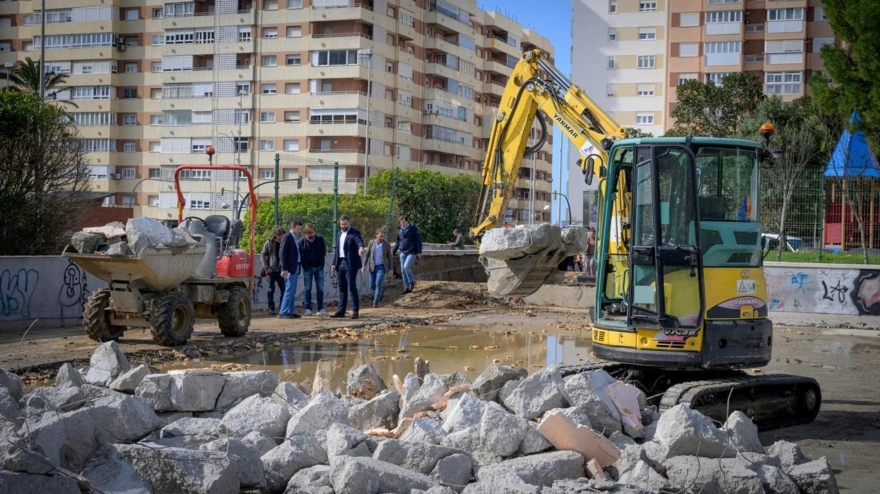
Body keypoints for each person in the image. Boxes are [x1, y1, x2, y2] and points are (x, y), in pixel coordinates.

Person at [330, 214, 365, 319]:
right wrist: (333, 263)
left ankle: (355, 311)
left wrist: (361, 248)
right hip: (340, 263)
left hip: (350, 263)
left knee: (352, 287)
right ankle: (341, 311)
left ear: (349, 223)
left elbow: (358, 241)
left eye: (345, 224)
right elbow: (337, 250)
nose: (343, 226)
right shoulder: (338, 234)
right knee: (341, 288)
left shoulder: (354, 232)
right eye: (341, 224)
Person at [299, 224, 328, 316]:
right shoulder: (302, 241)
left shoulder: (320, 239)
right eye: (308, 233)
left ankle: (320, 308)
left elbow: (324, 251)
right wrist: (304, 265)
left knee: (320, 289)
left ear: (314, 231)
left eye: (312, 232)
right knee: (307, 289)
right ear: (305, 234)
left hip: (319, 267)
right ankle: (308, 308)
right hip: (308, 268)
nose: (311, 235)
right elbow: (300, 253)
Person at [362, 228, 393, 308]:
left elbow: (390, 257)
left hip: (381, 267)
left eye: (383, 236)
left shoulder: (386, 244)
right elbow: (367, 254)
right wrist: (364, 265)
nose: (382, 238)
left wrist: (390, 269)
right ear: (376, 236)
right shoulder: (371, 243)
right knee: (371, 285)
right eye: (380, 236)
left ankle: (376, 302)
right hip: (372, 266)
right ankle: (379, 293)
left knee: (378, 283)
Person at [278, 220, 303, 319]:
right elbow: (282, 253)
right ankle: (283, 311)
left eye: (300, 229)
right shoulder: (287, 237)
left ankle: (290, 311)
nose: (299, 231)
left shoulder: (295, 238)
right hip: (289, 268)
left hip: (295, 266)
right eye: (298, 229)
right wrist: (284, 268)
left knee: (292, 290)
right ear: (292, 227)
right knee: (289, 289)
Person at [393, 215, 423, 293]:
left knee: (406, 266)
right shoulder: (399, 230)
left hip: (412, 251)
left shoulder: (413, 229)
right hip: (403, 251)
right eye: (401, 222)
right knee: (403, 270)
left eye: (403, 222)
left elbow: (418, 240)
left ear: (407, 221)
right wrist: (393, 251)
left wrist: (419, 251)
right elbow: (398, 242)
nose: (402, 224)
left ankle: (411, 281)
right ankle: (406, 287)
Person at [260, 226, 286, 315]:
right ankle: (271, 308)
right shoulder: (269, 242)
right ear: (275, 235)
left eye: (282, 234)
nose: (280, 236)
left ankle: (282, 308)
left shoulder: (284, 242)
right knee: (271, 290)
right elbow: (262, 254)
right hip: (271, 270)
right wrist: (266, 267)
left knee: (284, 289)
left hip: (281, 270)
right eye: (279, 235)